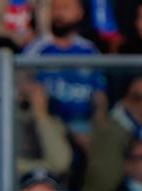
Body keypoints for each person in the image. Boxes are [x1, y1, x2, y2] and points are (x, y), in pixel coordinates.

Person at [23, 0, 107, 152]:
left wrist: (99, 130)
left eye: (65, 8)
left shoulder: (89, 50)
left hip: (83, 123)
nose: (58, 13)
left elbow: (99, 95)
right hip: (50, 124)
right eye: (55, 8)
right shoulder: (37, 49)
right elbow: (22, 87)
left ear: (79, 13)